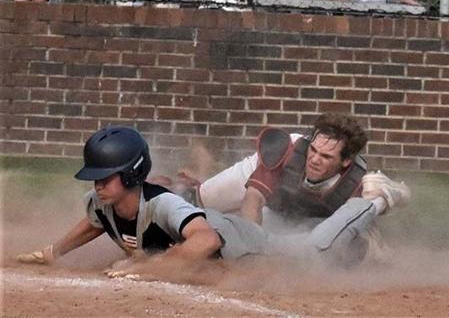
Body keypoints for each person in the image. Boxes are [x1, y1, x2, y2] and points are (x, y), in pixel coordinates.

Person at [160, 113, 411, 267]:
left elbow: (347, 225)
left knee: (348, 251)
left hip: (299, 212)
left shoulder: (355, 182)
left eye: (326, 156)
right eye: (313, 150)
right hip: (264, 182)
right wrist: (251, 245)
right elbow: (254, 198)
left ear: (346, 161)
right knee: (197, 202)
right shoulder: (289, 151)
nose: (314, 159)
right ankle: (183, 183)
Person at [15, 127, 268, 278]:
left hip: (247, 244)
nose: (98, 185)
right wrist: (53, 252)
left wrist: (152, 266)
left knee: (283, 241)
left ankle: (272, 208)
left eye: (105, 178)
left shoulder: (162, 203)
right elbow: (94, 223)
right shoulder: (101, 201)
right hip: (221, 240)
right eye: (96, 178)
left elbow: (208, 240)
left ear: (130, 174)